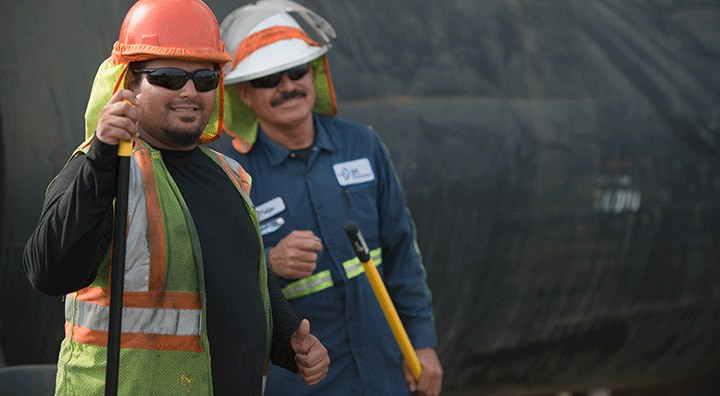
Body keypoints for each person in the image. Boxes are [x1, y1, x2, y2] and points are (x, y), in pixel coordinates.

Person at [22, 0, 329, 394]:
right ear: (131, 83)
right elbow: (49, 272)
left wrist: (289, 341)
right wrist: (101, 159)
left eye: (204, 79)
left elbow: (249, 276)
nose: (189, 91)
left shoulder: (229, 174)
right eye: (167, 77)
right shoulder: (100, 169)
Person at [219, 1, 443, 395]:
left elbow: (401, 251)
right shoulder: (230, 174)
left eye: (296, 71)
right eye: (269, 78)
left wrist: (422, 343)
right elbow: (218, 287)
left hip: (385, 372)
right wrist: (270, 261)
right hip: (301, 384)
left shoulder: (363, 144)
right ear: (245, 95)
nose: (287, 85)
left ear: (314, 74)